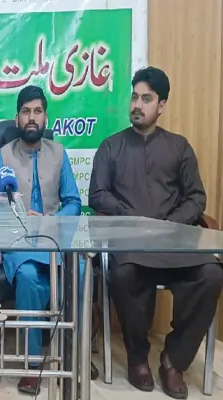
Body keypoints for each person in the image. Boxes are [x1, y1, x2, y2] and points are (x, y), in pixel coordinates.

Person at [89, 66, 223, 399]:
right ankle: (137, 358)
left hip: (175, 244)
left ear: (161, 105)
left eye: (146, 99)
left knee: (211, 274)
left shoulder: (179, 147)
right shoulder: (111, 147)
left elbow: (196, 198)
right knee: (123, 273)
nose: (137, 104)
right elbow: (97, 195)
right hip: (132, 246)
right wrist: (132, 219)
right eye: (134, 97)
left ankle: (174, 360)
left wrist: (169, 224)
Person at [0, 85, 83, 395]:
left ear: (46, 118)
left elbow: (73, 202)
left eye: (38, 111)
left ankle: (73, 353)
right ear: (17, 118)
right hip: (18, 243)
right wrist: (19, 215)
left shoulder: (59, 154)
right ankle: (32, 364)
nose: (32, 117)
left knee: (81, 272)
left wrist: (50, 221)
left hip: (55, 241)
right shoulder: (3, 156)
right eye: (26, 112)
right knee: (31, 278)